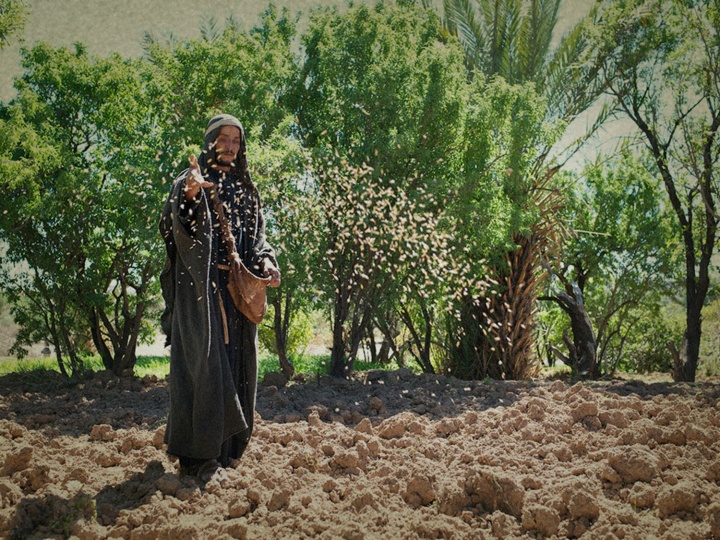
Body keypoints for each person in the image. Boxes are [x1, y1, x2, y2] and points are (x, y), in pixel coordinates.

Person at [159, 113, 280, 482]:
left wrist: (267, 262)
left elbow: (258, 238)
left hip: (236, 296)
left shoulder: (247, 188)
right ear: (210, 141)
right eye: (223, 139)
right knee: (206, 371)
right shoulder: (190, 180)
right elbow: (170, 226)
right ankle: (197, 457)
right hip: (202, 295)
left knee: (239, 370)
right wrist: (191, 197)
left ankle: (227, 454)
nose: (230, 145)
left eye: (236, 140)